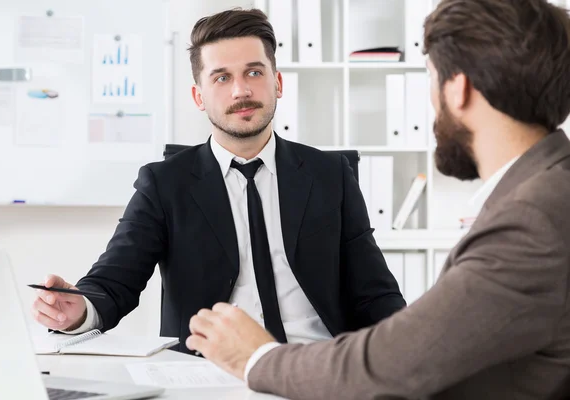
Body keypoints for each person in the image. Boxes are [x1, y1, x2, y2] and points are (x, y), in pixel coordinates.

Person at [186, 0, 570, 398]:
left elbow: (399, 362)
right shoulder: (548, 190)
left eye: (431, 80)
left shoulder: (534, 218)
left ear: (458, 89)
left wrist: (255, 358)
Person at [30, 8, 406, 354]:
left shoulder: (329, 175)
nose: (240, 90)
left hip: (316, 364)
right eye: (222, 77)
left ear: (277, 83)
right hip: (210, 370)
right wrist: (78, 311)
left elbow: (376, 296)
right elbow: (114, 282)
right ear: (199, 96)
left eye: (254, 73)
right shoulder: (164, 184)